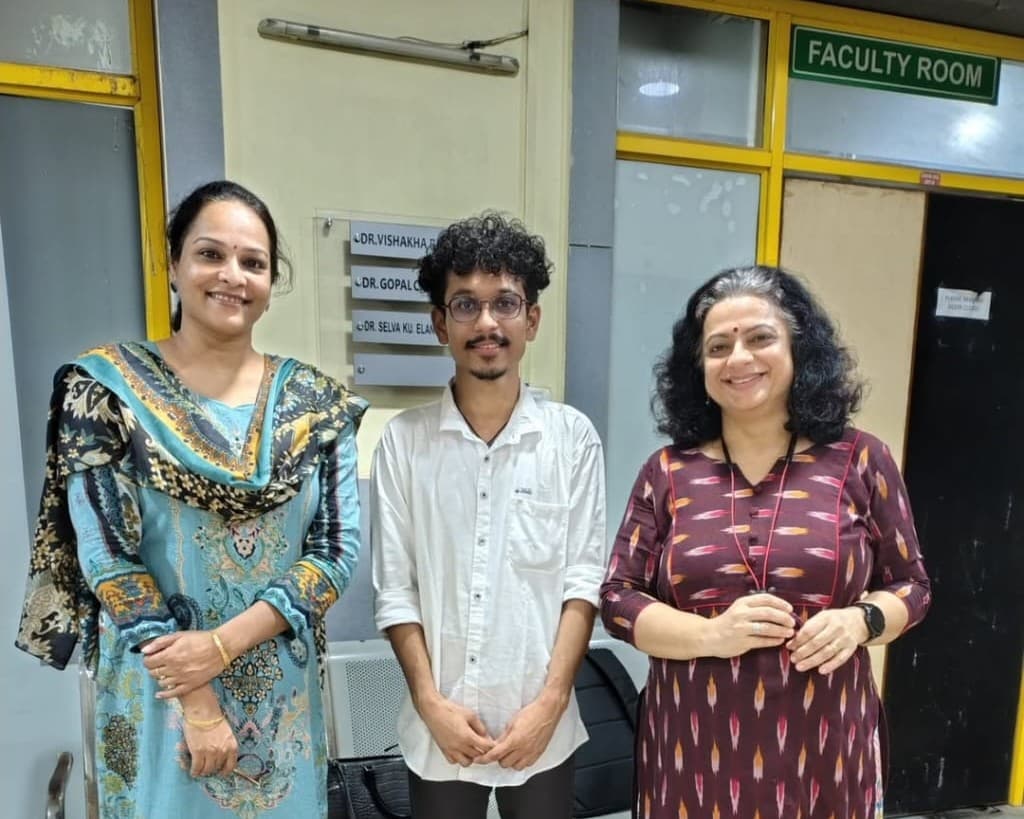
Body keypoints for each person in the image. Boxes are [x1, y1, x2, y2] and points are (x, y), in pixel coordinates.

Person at [15, 180, 367, 819]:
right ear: (173, 265)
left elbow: (336, 553)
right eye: (211, 254)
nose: (232, 276)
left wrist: (223, 644)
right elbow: (108, 561)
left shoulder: (318, 406)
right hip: (161, 694)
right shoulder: (103, 392)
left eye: (252, 262)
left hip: (281, 701)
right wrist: (198, 699)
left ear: (269, 281)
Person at [600, 266, 931, 819]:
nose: (739, 360)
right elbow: (617, 598)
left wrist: (860, 622)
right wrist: (711, 635)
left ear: (799, 350)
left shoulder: (860, 460)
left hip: (825, 746)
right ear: (698, 368)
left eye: (760, 339)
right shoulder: (667, 472)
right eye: (718, 347)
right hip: (692, 748)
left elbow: (912, 586)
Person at [370, 213, 607, 819]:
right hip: (441, 728)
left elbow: (583, 583)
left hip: (541, 727)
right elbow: (396, 591)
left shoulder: (571, 439)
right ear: (439, 324)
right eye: (465, 305)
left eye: (505, 302)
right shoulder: (404, 442)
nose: (486, 322)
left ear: (531, 319)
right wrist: (430, 702)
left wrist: (551, 704)